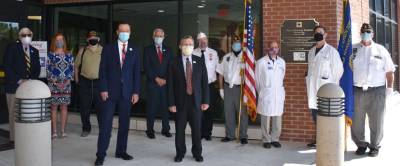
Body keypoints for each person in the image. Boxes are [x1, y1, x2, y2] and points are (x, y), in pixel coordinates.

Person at [95, 23, 141, 166]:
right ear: (117, 32)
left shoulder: (134, 50)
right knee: (106, 125)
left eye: (127, 31)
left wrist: (136, 92)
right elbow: (102, 70)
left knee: (124, 125)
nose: (124, 33)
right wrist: (103, 88)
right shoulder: (108, 49)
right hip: (109, 93)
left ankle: (121, 151)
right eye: (122, 31)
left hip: (127, 94)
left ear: (130, 32)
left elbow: (136, 73)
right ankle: (100, 155)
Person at [351, 23, 395, 157]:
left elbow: (389, 71)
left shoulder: (381, 50)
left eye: (368, 32)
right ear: (360, 33)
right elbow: (346, 69)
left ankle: (375, 146)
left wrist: (389, 88)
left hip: (377, 91)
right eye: (363, 31)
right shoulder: (353, 50)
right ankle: (361, 144)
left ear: (373, 34)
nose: (365, 34)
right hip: (357, 90)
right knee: (357, 120)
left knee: (377, 119)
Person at [167, 35, 209, 162]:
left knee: (197, 129)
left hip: (196, 101)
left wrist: (206, 101)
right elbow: (170, 85)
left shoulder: (200, 60)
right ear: (180, 46)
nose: (188, 47)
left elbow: (204, 82)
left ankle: (197, 153)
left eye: (190, 44)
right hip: (180, 102)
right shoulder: (173, 62)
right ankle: (180, 152)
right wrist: (171, 103)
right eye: (185, 44)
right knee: (180, 130)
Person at [305, 25, 343, 147]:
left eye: (320, 33)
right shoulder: (311, 52)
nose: (318, 35)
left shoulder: (332, 52)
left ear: (325, 35)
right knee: (316, 116)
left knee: (326, 116)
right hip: (313, 90)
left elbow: (338, 71)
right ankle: (319, 139)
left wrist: (331, 86)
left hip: (326, 91)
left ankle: (327, 141)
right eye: (316, 33)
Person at [3, 27, 40, 143]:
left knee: (26, 113)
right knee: (14, 114)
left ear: (32, 36)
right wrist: (19, 80)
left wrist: (30, 81)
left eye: (28, 35)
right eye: (23, 35)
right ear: (19, 37)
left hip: (29, 88)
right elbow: (6, 66)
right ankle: (14, 139)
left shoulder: (35, 51)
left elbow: (37, 69)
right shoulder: (12, 48)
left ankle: (25, 137)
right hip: (14, 86)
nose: (26, 37)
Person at [217, 36, 249, 145]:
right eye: (234, 43)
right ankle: (230, 135)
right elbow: (220, 74)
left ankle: (243, 136)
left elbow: (249, 76)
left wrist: (247, 92)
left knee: (242, 113)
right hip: (227, 88)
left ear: (241, 45)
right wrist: (221, 89)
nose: (236, 45)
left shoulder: (246, 58)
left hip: (241, 88)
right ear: (231, 45)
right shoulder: (226, 58)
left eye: (238, 43)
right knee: (228, 112)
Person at [255, 41, 286, 149]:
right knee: (266, 117)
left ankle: (275, 139)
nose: (274, 49)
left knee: (277, 118)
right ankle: (266, 139)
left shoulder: (282, 62)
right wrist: (263, 92)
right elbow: (257, 80)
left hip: (278, 94)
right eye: (272, 47)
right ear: (268, 48)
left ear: (278, 49)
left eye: (276, 47)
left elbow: (282, 77)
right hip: (266, 93)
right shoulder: (261, 62)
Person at [143, 28, 173, 139]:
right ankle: (150, 130)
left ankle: (166, 129)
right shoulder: (147, 50)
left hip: (165, 84)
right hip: (152, 83)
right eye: (157, 35)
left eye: (161, 36)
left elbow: (171, 66)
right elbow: (147, 67)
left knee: (166, 107)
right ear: (153, 36)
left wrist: (165, 79)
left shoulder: (169, 50)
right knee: (151, 108)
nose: (159, 38)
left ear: (164, 37)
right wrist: (156, 78)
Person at [74, 31, 103, 137]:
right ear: (87, 40)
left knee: (101, 109)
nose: (93, 39)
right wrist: (77, 79)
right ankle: (86, 128)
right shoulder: (82, 51)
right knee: (84, 108)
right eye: (91, 37)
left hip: (98, 83)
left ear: (98, 39)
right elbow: (76, 66)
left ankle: (103, 130)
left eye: (95, 37)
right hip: (84, 82)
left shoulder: (103, 51)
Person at [47, 33, 74, 139]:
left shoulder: (69, 54)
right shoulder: (51, 55)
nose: (59, 42)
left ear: (64, 41)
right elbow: (48, 70)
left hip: (66, 84)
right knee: (54, 107)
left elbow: (72, 69)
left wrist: (67, 81)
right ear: (54, 41)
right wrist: (56, 82)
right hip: (54, 85)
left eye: (61, 39)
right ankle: (54, 131)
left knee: (64, 107)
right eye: (57, 40)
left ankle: (62, 130)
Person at [193, 32, 219, 141]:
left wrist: (220, 86)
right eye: (201, 40)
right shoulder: (193, 52)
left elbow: (218, 69)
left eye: (205, 40)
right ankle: (199, 132)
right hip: (198, 86)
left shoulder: (213, 53)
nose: (203, 42)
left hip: (210, 85)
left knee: (209, 110)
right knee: (198, 110)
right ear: (198, 42)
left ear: (207, 40)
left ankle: (208, 133)